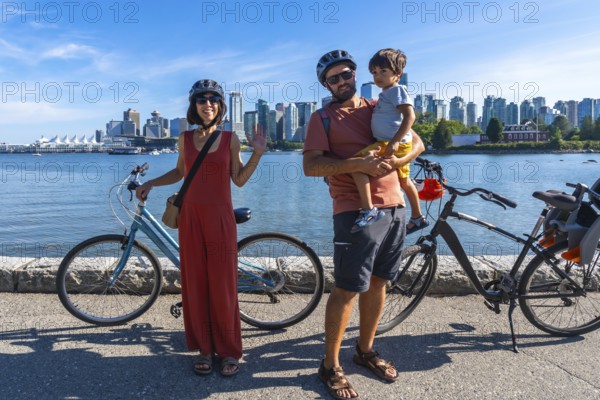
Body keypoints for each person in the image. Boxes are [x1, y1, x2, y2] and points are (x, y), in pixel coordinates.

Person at [303, 50, 424, 400]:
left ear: (358, 75)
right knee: (346, 289)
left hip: (395, 207)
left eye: (347, 75)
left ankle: (365, 349)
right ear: (326, 84)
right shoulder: (322, 118)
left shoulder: (380, 104)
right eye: (334, 78)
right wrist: (357, 164)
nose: (342, 81)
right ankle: (329, 364)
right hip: (355, 211)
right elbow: (311, 167)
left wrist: (394, 160)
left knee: (379, 283)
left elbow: (417, 141)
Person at [136, 79, 266, 377]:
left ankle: (230, 350)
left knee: (222, 286)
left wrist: (257, 153)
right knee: (195, 285)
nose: (208, 104)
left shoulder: (230, 138)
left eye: (213, 99)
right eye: (201, 99)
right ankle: (205, 349)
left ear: (220, 106)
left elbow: (239, 180)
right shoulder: (184, 138)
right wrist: (151, 183)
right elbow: (181, 172)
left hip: (220, 219)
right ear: (193, 106)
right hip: (190, 219)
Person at [351, 48, 428, 234]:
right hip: (396, 143)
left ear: (397, 74)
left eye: (383, 72)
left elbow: (410, 117)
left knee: (357, 165)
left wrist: (395, 141)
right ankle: (417, 217)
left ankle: (369, 210)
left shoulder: (396, 90)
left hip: (392, 143)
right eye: (374, 73)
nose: (378, 77)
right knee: (405, 180)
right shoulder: (386, 93)